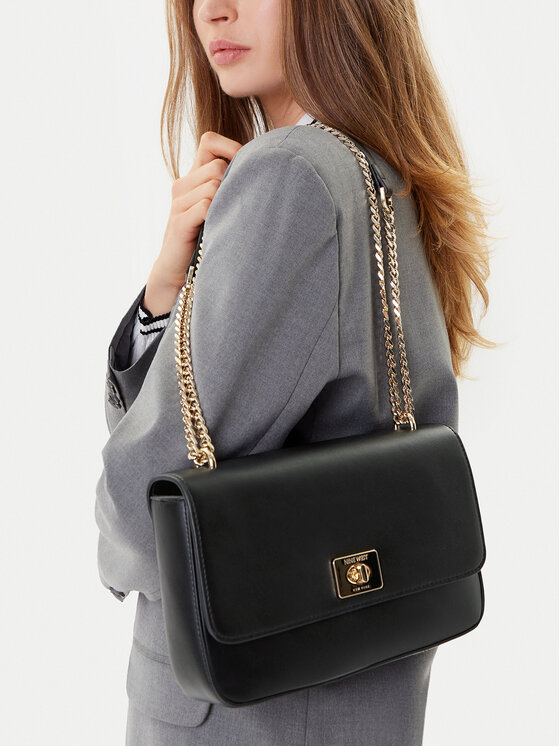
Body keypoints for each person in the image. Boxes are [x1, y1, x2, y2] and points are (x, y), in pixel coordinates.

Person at [95, 0, 495, 743]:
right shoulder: (384, 172)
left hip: (243, 716)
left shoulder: (292, 175)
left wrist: (110, 542)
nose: (213, 11)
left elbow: (148, 493)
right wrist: (164, 292)